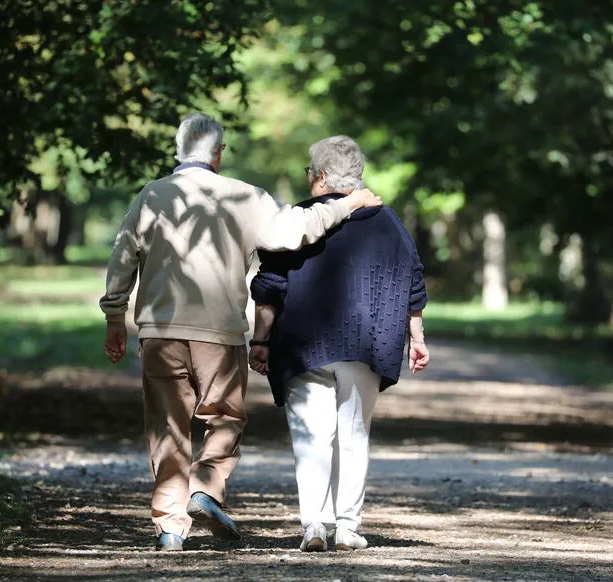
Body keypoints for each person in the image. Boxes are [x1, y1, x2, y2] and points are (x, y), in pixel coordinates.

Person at [99, 113, 382, 551]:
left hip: (160, 331)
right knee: (225, 417)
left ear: (178, 149)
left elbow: (123, 257)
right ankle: (206, 489)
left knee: (167, 426)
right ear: (219, 153)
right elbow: (293, 233)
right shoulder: (243, 197)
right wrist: (347, 204)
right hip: (220, 333)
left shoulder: (152, 195)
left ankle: (171, 528)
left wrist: (114, 316)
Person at [249, 135, 430, 552]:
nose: (309, 179)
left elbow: (270, 286)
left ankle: (314, 524)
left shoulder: (298, 220)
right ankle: (348, 527)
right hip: (366, 345)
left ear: (323, 177)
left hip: (302, 344)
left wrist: (260, 341)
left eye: (310, 173)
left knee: (312, 433)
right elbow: (413, 281)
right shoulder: (388, 221)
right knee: (353, 433)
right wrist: (416, 337)